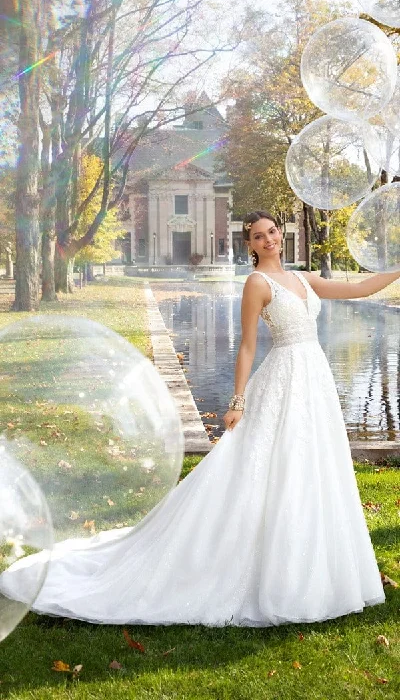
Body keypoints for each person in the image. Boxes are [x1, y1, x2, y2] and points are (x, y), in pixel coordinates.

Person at [1, 210, 399, 628]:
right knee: (264, 464)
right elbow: (246, 346)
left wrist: (395, 268)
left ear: (280, 235)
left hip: (313, 377)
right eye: (259, 236)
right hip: (283, 376)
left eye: (273, 233)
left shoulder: (303, 279)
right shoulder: (256, 284)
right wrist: (238, 400)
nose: (269, 240)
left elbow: (360, 287)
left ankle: (309, 558)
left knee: (308, 463)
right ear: (250, 244)